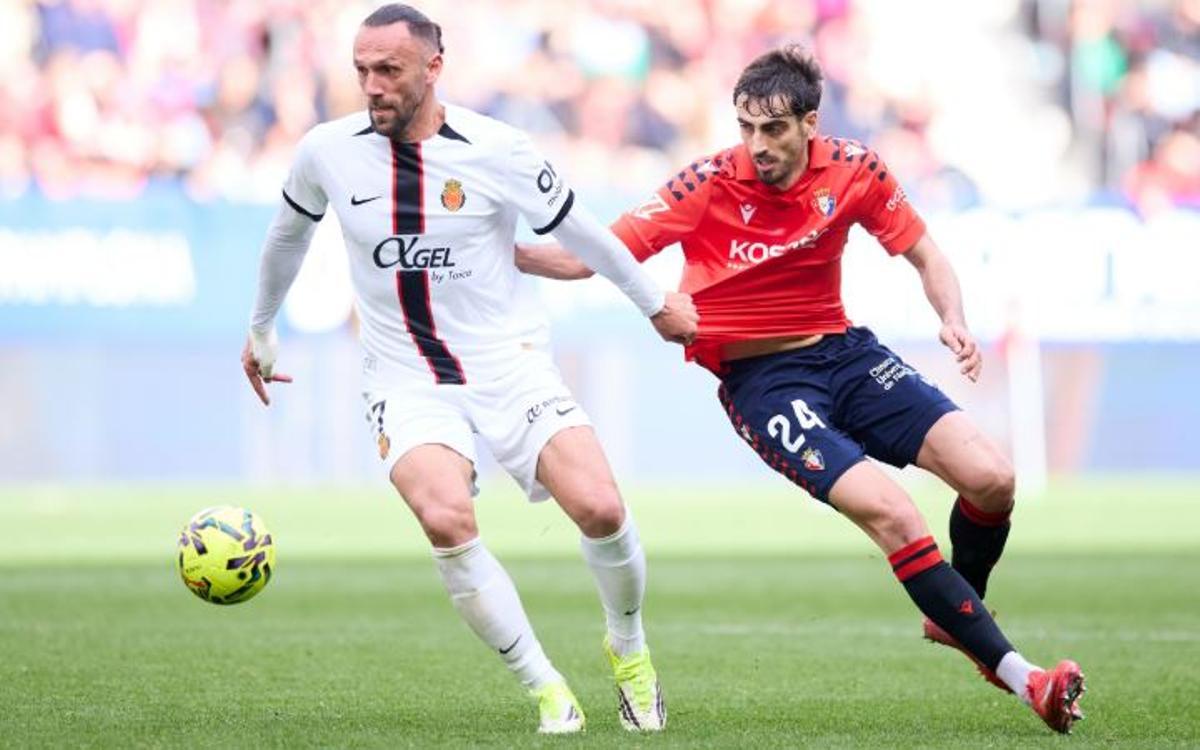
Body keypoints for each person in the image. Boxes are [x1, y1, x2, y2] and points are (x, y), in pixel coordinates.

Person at [516, 45, 1086, 734]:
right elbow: (590, 257)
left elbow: (926, 255)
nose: (756, 145)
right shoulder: (706, 183)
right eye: (745, 128)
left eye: (774, 129)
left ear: (809, 123)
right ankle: (1027, 680)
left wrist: (953, 319)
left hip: (846, 355)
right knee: (896, 517)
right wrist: (503, 250)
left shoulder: (855, 170)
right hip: (765, 383)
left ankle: (956, 612)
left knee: (993, 479)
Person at [240, 4, 693, 735]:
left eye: (388, 70)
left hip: (507, 363)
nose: (373, 86)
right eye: (361, 71)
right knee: (446, 516)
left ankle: (629, 649)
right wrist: (261, 328)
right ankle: (546, 688)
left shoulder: (500, 149)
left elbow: (587, 236)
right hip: (403, 376)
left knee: (602, 509)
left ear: (432, 67)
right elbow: (286, 236)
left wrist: (653, 304)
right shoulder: (326, 151)